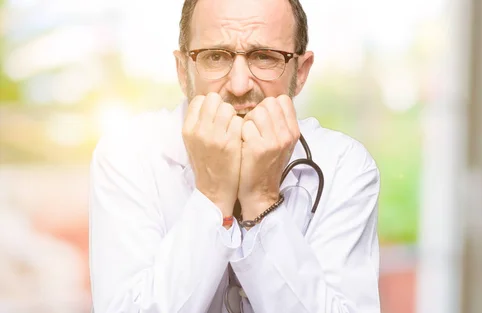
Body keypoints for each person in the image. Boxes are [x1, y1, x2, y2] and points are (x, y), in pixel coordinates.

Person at [88, 0, 381, 312]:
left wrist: (262, 200)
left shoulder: (344, 166)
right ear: (183, 72)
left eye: (264, 56)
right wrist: (212, 196)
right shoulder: (128, 155)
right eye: (216, 56)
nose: (240, 86)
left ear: (301, 72)